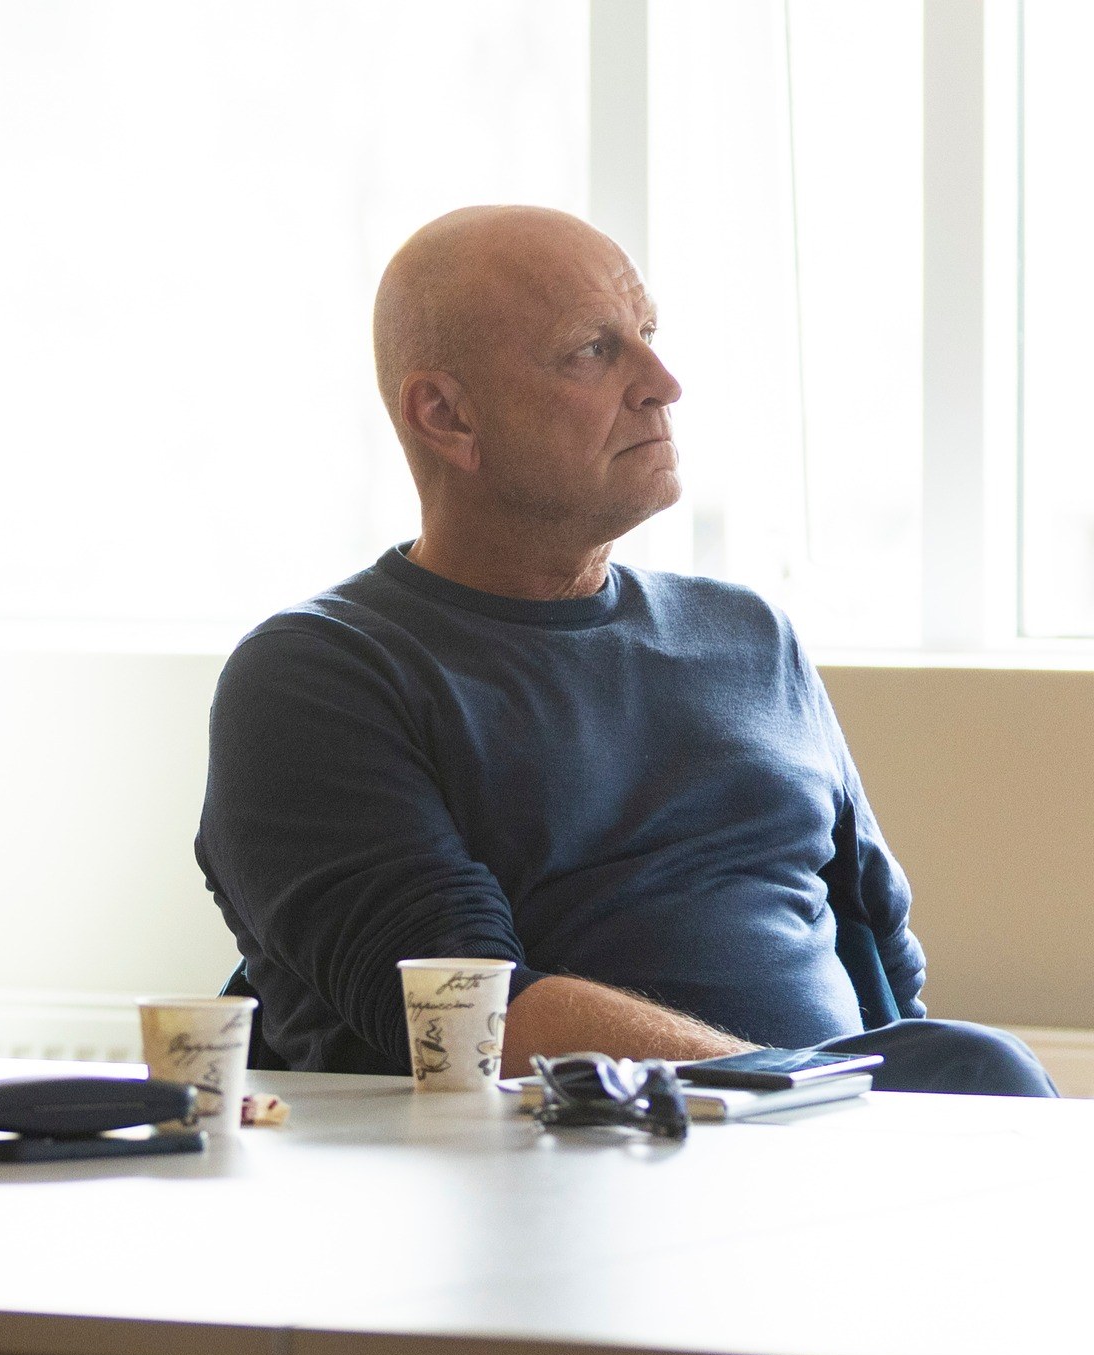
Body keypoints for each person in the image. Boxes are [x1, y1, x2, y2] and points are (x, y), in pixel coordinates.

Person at [196, 205, 1053, 1097]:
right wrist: (801, 1092)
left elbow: (880, 959)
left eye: (648, 335)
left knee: (977, 1074)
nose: (663, 382)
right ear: (447, 415)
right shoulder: (314, 679)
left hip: (835, 1134)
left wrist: (880, 1114)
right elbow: (465, 1013)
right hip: (567, 1154)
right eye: (594, 351)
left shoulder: (749, 635)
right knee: (985, 1070)